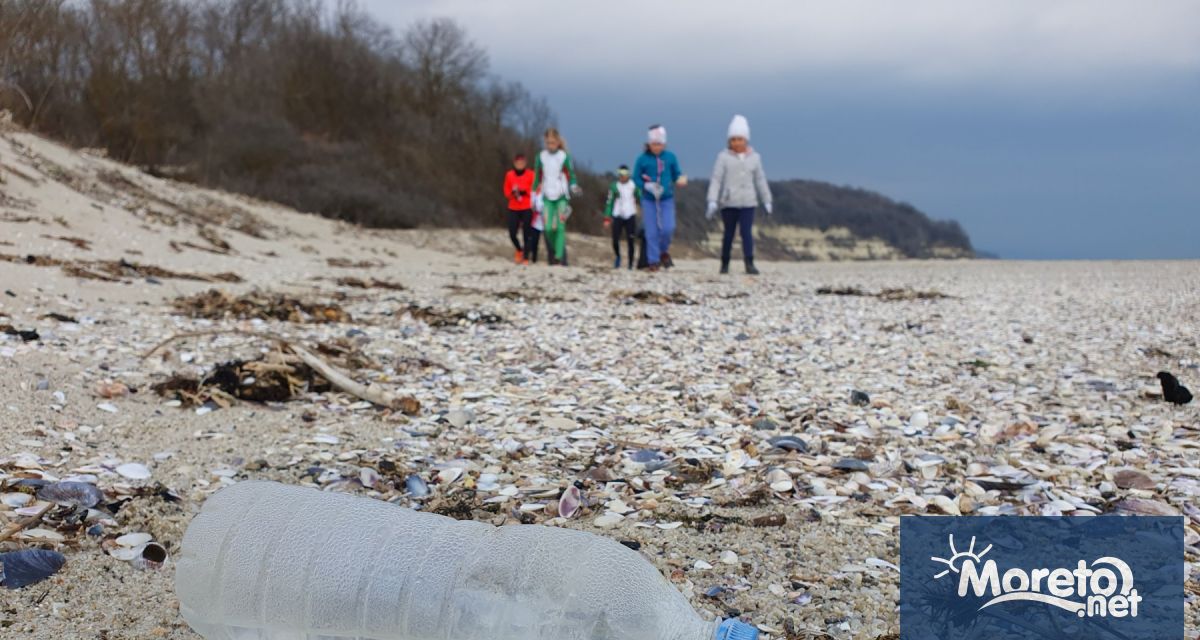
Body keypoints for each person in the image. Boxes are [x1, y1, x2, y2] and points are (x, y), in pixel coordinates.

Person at [706, 115, 772, 275]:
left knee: (746, 232)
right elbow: (716, 179)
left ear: (746, 139)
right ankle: (724, 263)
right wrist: (712, 200)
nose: (736, 142)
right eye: (733, 139)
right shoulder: (723, 157)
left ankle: (749, 263)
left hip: (748, 202)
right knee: (728, 233)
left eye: (740, 139)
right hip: (728, 202)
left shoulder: (755, 158)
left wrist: (767, 200)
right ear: (729, 141)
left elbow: (760, 179)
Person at [633, 125, 686, 271]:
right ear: (649, 143)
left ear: (664, 144)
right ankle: (653, 261)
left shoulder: (670, 157)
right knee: (651, 231)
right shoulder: (642, 159)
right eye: (654, 143)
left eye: (659, 144)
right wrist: (646, 186)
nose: (656, 147)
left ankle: (663, 251)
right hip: (649, 199)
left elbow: (676, 174)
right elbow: (636, 178)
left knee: (668, 228)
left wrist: (680, 180)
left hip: (666, 198)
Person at [531, 127, 581, 266]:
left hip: (561, 196)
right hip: (547, 196)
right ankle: (553, 250)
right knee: (547, 228)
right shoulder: (540, 157)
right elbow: (537, 177)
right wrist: (533, 195)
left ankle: (559, 256)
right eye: (548, 142)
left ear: (558, 142)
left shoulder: (564, 156)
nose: (550, 145)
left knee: (560, 226)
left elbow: (571, 174)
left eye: (553, 142)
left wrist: (573, 186)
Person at [604, 165, 641, 269]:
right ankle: (618, 256)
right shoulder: (614, 186)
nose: (622, 177)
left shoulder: (634, 185)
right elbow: (609, 202)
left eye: (624, 175)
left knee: (630, 240)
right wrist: (607, 217)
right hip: (618, 215)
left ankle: (630, 263)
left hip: (630, 215)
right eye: (620, 175)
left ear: (628, 175)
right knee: (615, 239)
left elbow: (641, 196)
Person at [502, 153, 535, 264]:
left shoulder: (531, 174)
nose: (520, 165)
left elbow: (535, 189)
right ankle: (519, 249)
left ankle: (526, 256)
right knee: (512, 233)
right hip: (513, 206)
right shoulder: (509, 175)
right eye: (518, 162)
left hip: (527, 206)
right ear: (514, 163)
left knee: (527, 233)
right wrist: (513, 193)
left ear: (525, 163)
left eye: (522, 162)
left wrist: (524, 190)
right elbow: (506, 191)